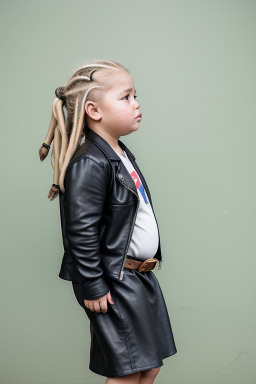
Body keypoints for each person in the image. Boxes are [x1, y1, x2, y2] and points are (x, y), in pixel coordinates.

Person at [39, 59, 177, 383]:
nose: (136, 103)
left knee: (150, 364)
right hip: (113, 278)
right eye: (126, 97)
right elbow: (80, 231)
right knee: (128, 370)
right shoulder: (89, 162)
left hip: (135, 275)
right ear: (94, 111)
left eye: (135, 95)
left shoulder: (119, 154)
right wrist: (93, 283)